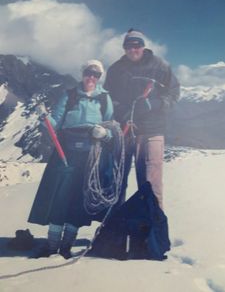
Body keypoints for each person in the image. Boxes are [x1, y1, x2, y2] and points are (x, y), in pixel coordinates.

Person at [28, 60, 114, 259]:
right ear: (82, 73)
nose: (91, 77)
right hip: (66, 151)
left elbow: (111, 126)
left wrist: (105, 133)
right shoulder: (69, 95)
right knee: (60, 196)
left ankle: (67, 245)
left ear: (100, 77)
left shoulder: (104, 99)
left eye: (96, 74)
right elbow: (56, 123)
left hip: (91, 152)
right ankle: (52, 245)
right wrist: (44, 118)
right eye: (88, 73)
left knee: (79, 197)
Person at [104, 29, 180, 210]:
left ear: (143, 46)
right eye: (129, 46)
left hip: (152, 131)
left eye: (137, 45)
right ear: (124, 48)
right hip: (124, 131)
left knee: (150, 182)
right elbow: (108, 97)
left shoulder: (160, 66)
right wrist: (121, 111)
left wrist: (155, 104)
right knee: (117, 180)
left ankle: (153, 231)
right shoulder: (116, 69)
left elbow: (173, 93)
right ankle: (116, 228)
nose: (133, 49)